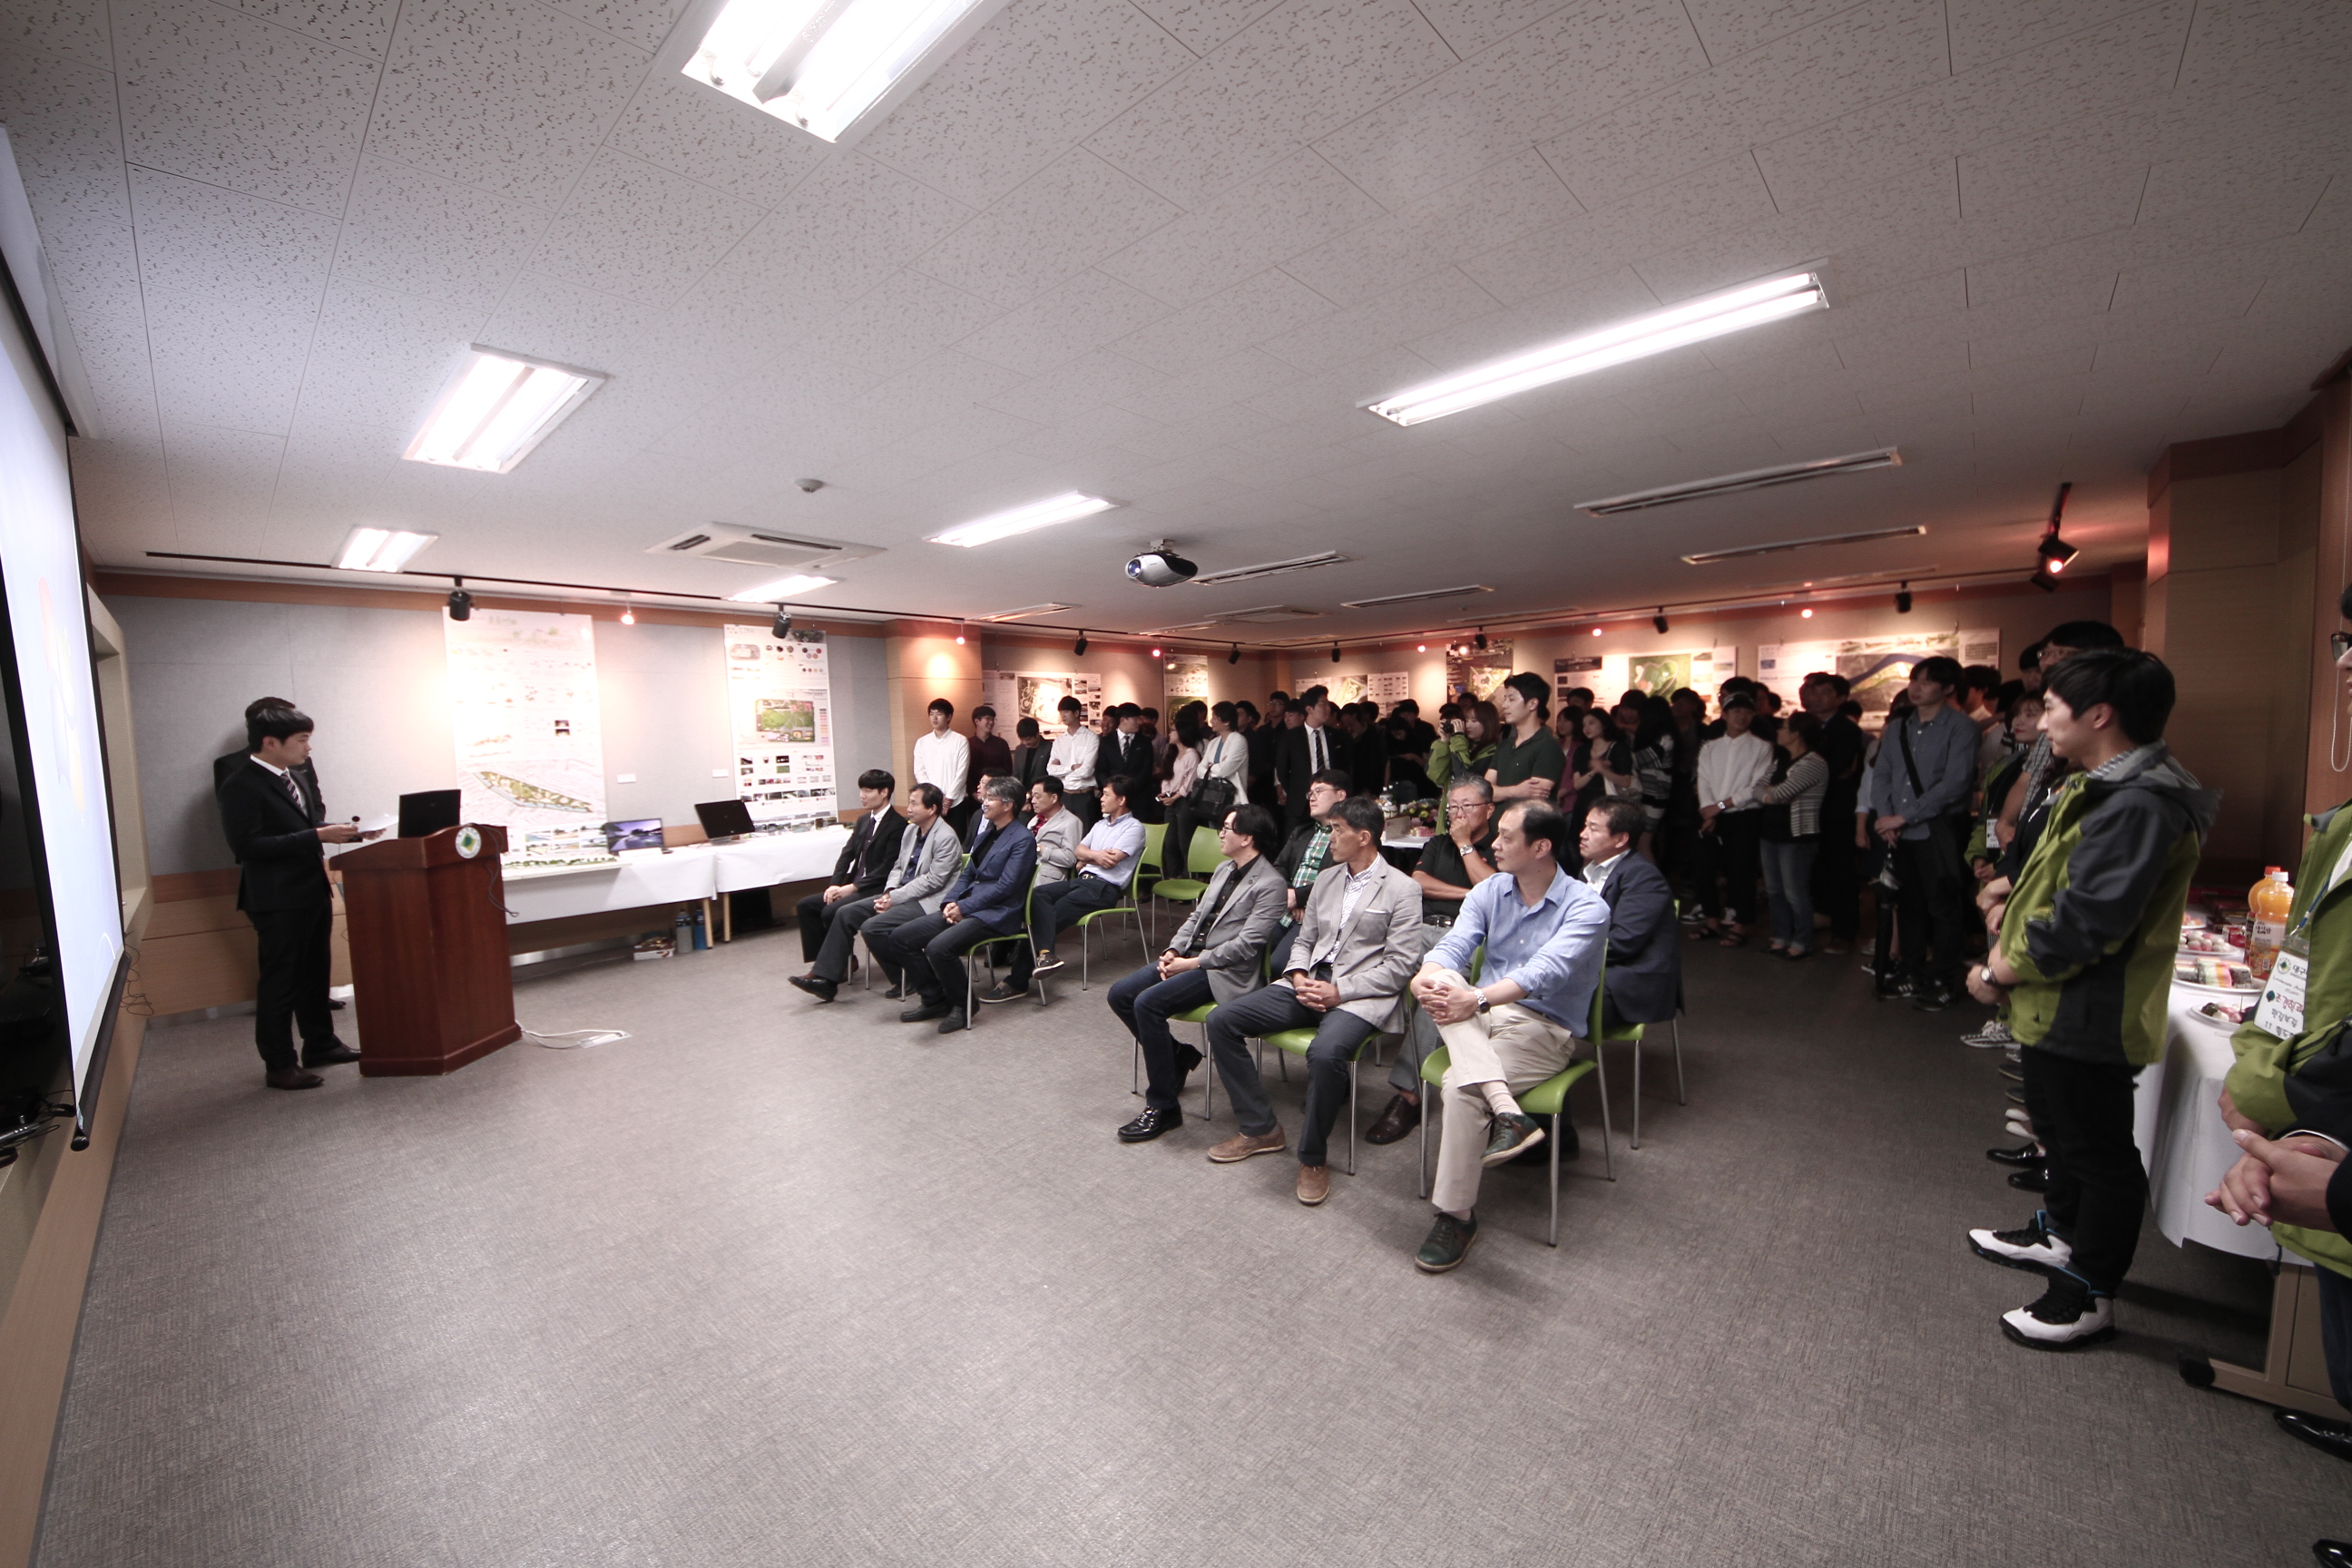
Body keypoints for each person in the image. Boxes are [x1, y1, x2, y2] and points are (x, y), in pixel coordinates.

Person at [1963, 650, 2214, 1348]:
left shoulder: (2140, 801)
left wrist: (1998, 971)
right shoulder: (2100, 783)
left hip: (2089, 1004)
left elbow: (2086, 923)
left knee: (2099, 1152)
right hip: (2054, 1002)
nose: (2042, 721)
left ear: (2099, 715)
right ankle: (2062, 1235)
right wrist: (2005, 896)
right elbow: (2053, 874)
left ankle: (2089, 1290)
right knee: (2060, 1131)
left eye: (2051, 707)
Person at [2210, 587, 2352, 1457]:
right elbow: (2294, 978)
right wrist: (2260, 1098)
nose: (2347, 665)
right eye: (2346, 640)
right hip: (2319, 1149)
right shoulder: (2340, 830)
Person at [1408, 799, 1609, 1273]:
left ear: (1541, 847)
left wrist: (1475, 1000)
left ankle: (1456, 1218)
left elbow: (1544, 972)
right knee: (1444, 978)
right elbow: (1455, 945)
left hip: (1542, 1027)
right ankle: (1508, 1112)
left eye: (1506, 837)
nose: (1493, 845)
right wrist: (1424, 978)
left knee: (1460, 1087)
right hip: (1480, 1016)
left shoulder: (1587, 907)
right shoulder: (1491, 890)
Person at [1201, 796, 1422, 1207]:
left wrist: (1341, 991)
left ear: (1364, 837)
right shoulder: (1327, 879)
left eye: (1337, 830)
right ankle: (1261, 1128)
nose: (1330, 837)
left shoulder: (1402, 888)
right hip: (1307, 983)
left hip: (1358, 996)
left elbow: (1401, 965)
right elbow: (1305, 939)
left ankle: (1313, 1158)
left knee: (1324, 1054)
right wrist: (1299, 974)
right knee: (1222, 1021)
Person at [1109, 805, 1289, 1143]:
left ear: (1247, 837)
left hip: (1223, 971)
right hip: (1188, 958)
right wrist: (1173, 950)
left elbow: (1246, 947)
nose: (1221, 833)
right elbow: (1195, 918)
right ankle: (1177, 1055)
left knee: (1147, 1004)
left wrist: (1192, 963)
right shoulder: (1223, 869)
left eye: (1227, 828)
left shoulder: (1271, 884)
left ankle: (1164, 1107)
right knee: (1120, 994)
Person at [214, 706, 362, 1088]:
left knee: (315, 974)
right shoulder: (240, 784)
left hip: (311, 890)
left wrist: (345, 833)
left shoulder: (295, 777)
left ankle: (321, 1044)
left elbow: (305, 828)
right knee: (280, 983)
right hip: (276, 899)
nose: (308, 748)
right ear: (270, 743)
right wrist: (316, 836)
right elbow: (248, 847)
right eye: (301, 740)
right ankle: (280, 1064)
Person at [1366, 777, 1498, 1146]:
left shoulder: (1500, 846)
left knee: (1435, 989)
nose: (1457, 814)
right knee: (1363, 959)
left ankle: (1408, 1094)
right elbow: (1419, 882)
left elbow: (1495, 894)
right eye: (1452, 807)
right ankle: (1334, 1061)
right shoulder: (1438, 843)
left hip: (1467, 938)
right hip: (1422, 927)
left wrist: (1466, 846)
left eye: (1467, 806)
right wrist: (1470, 893)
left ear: (1489, 809)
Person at [870, 777, 1037, 1033]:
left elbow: (1006, 887)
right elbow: (967, 874)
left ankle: (964, 1005)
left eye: (990, 798)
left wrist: (964, 907)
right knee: (901, 937)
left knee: (939, 948)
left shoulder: (1023, 839)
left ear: (1008, 805)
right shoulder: (986, 834)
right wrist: (950, 901)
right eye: (985, 797)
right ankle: (934, 999)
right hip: (968, 905)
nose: (984, 802)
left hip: (997, 913)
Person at [1868, 656, 1980, 1009]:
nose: (1916, 687)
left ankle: (1946, 980)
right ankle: (1913, 972)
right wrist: (1886, 817)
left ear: (1948, 688)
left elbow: (1956, 782)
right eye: (1914, 679)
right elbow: (1882, 775)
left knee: (1943, 907)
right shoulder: (1898, 728)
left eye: (1927, 681)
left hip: (1937, 830)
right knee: (1909, 906)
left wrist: (1903, 817)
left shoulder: (1961, 727)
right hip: (1900, 833)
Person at [790, 782, 956, 1002]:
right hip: (899, 894)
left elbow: (933, 882)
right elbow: (898, 867)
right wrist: (889, 891)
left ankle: (906, 977)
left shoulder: (945, 837)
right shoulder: (910, 830)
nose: (908, 809)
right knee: (845, 913)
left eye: (914, 804)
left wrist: (894, 898)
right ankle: (826, 979)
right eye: (909, 803)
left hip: (927, 901)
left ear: (932, 808)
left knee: (872, 927)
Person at [1005, 775, 1145, 988]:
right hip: (1083, 881)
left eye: (1106, 794)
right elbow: (1078, 851)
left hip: (1103, 887)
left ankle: (1017, 981)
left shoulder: (1134, 828)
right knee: (1039, 895)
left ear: (1121, 799)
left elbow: (1112, 860)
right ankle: (1046, 954)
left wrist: (1089, 856)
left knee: (1050, 914)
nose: (1101, 798)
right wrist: (1095, 856)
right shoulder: (1100, 825)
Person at [1579, 799, 1681, 1043]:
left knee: (1541, 1000)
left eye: (1593, 828)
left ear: (1620, 839)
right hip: (1594, 970)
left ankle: (1535, 1061)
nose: (1583, 834)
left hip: (1628, 984)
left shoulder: (1643, 877)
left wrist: (1563, 956)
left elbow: (1623, 942)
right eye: (1585, 825)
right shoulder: (1589, 872)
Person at [791, 769, 905, 974]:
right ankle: (827, 963)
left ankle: (833, 967)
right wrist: (835, 884)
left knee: (831, 911)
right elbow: (847, 855)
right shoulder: (863, 820)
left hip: (876, 887)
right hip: (854, 884)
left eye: (868, 791)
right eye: (861, 790)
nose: (862, 796)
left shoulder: (898, 825)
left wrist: (853, 887)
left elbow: (887, 868)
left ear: (884, 792)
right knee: (806, 906)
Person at [1690, 692, 1771, 946]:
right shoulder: (1710, 747)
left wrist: (1720, 806)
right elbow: (1703, 779)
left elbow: (1756, 786)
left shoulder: (1762, 747)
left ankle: (1741, 924)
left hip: (1743, 815)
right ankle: (1712, 920)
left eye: (1746, 711)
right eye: (1735, 711)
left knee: (1741, 871)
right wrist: (1708, 809)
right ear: (1724, 715)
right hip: (1711, 815)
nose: (1741, 716)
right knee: (1703, 869)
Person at [1752, 712, 1828, 960]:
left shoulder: (1814, 762)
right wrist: (1769, 794)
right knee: (1774, 891)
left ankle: (1802, 941)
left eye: (1784, 727)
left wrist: (1769, 794)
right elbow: (1757, 788)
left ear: (1796, 734)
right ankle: (1781, 937)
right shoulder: (1780, 761)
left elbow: (1779, 794)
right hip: (1770, 833)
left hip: (1797, 837)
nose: (1779, 731)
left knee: (1796, 893)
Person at [1165, 701, 1249, 877]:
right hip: (1211, 799)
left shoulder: (1238, 740)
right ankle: (1214, 875)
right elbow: (1200, 769)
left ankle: (1231, 875)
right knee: (1215, 838)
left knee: (1231, 838)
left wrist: (1211, 767)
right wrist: (1213, 767)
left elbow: (1226, 769)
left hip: (1232, 798)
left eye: (1216, 718)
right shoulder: (1214, 742)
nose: (1211, 721)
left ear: (1226, 721)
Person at [1486, 673, 1563, 806]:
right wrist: (1515, 791)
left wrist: (1500, 792)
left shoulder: (1547, 746)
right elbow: (1485, 791)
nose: (1504, 705)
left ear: (1532, 704)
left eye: (1511, 699)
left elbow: (1534, 797)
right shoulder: (1505, 745)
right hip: (1499, 819)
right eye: (1505, 699)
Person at [1274, 693, 1339, 834]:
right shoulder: (1290, 736)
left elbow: (1344, 768)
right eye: (1323, 704)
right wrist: (1296, 791)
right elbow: (1282, 770)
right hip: (1300, 803)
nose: (1328, 709)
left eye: (1328, 704)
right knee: (1296, 842)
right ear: (1309, 709)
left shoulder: (1338, 736)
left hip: (1333, 803)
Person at [1426, 699, 1498, 822]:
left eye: (1474, 721)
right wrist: (1444, 742)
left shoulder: (1493, 752)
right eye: (1466, 720)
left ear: (1488, 723)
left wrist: (1458, 738)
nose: (1468, 725)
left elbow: (1465, 779)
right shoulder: (1460, 745)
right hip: (1449, 814)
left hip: (1472, 818)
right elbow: (1437, 776)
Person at [913, 698, 972, 837]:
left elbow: (962, 773)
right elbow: (919, 771)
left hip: (956, 802)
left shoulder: (960, 741)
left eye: (939, 714)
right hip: (931, 802)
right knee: (931, 838)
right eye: (931, 714)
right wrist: (934, 795)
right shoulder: (922, 742)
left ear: (949, 717)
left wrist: (949, 798)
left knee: (956, 838)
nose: (934, 718)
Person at [1047, 694, 1100, 828]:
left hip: (1084, 795)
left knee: (1085, 831)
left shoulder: (1091, 738)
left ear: (1076, 713)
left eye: (1066, 712)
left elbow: (1086, 770)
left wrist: (1063, 772)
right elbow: (1050, 770)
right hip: (1064, 794)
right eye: (1061, 712)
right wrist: (1071, 768)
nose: (1062, 715)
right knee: (1064, 832)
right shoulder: (1059, 741)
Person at [1107, 705, 1160, 823]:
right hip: (1113, 795)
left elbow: (1147, 768)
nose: (1139, 722)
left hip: (1138, 796)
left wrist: (1131, 788)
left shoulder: (1145, 742)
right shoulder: (1106, 742)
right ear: (1123, 720)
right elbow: (1101, 769)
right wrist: (1113, 788)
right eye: (1136, 719)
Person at [964, 705, 1012, 816]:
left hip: (997, 796)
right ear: (977, 721)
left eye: (993, 719)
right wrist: (974, 793)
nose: (991, 722)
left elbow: (1007, 771)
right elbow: (965, 771)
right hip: (973, 796)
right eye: (988, 719)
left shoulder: (1001, 744)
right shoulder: (967, 744)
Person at [1009, 715, 1053, 795]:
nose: (1025, 742)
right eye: (1022, 739)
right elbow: (1016, 775)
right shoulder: (1020, 749)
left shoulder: (1049, 748)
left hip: (1042, 793)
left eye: (1028, 739)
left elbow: (1049, 776)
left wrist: (1031, 793)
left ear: (1037, 734)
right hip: (1022, 794)